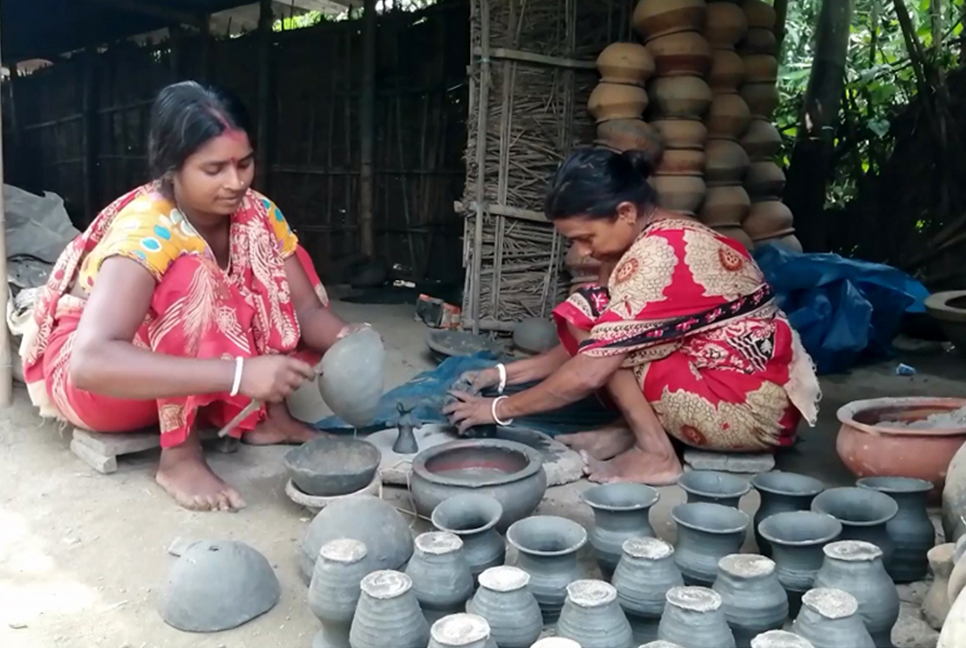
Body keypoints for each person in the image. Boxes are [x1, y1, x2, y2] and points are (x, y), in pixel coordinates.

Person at [20, 81, 365, 511]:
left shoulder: (257, 213)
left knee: (272, 257)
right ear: (172, 167)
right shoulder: (147, 229)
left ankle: (269, 418)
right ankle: (179, 456)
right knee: (193, 279)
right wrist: (240, 376)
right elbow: (90, 364)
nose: (235, 182)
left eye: (245, 163)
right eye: (214, 169)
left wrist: (350, 339)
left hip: (175, 374)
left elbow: (306, 310)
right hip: (102, 387)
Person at [444, 148, 820, 485]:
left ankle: (657, 454)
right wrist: (503, 375)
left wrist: (496, 409)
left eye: (587, 237)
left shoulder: (658, 257)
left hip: (747, 412)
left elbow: (590, 368)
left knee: (612, 347)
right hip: (752, 390)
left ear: (625, 213)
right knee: (601, 321)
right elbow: (591, 339)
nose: (583, 252)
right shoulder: (661, 233)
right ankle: (627, 432)